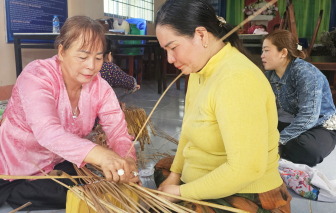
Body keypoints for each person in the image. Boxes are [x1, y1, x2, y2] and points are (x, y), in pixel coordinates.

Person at [154, 0, 291, 212]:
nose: (170, 59)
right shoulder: (199, 69)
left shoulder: (236, 78)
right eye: (165, 50)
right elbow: (188, 133)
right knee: (162, 169)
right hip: (210, 176)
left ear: (201, 35)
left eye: (173, 48)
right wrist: (175, 176)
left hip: (247, 192)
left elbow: (246, 169)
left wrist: (181, 192)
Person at [0, 16, 139, 211]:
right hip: (17, 170)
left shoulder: (100, 87)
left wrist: (127, 160)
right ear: (62, 52)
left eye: (98, 57)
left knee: (95, 186)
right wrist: (103, 156)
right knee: (71, 194)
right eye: (83, 57)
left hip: (59, 161)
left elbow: (117, 132)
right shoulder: (37, 76)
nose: (92, 66)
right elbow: (48, 132)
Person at [262, 30, 336, 167]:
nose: (262, 56)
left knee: (310, 150)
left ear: (283, 53)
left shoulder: (305, 73)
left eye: (266, 51)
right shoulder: (269, 75)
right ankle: (278, 149)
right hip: (285, 125)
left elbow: (309, 116)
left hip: (318, 126)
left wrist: (279, 140)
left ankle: (277, 149)